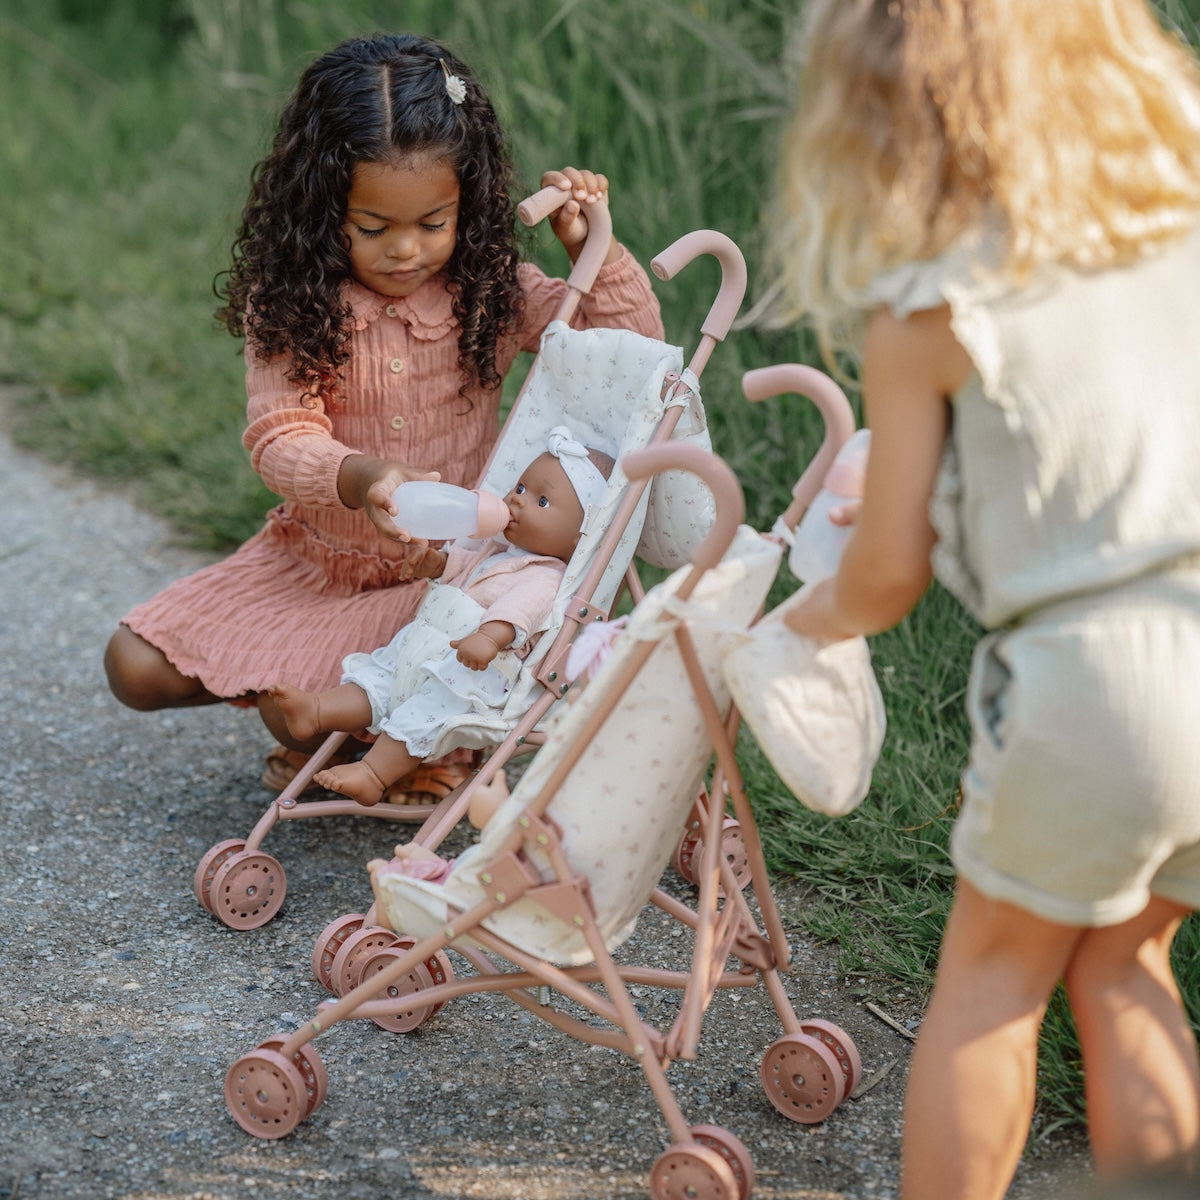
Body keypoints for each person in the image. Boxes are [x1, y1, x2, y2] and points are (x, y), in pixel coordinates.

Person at [762, 2, 1200, 1197]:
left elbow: (886, 573)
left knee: (996, 986)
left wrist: (801, 625)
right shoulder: (1178, 215)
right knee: (1127, 965)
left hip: (1097, 683)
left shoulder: (933, 301)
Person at [101, 32, 662, 801]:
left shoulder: (487, 290)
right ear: (320, 205)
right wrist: (360, 477)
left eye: (434, 224)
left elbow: (633, 362)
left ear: (469, 203)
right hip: (319, 561)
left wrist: (594, 253)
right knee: (133, 666)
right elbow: (278, 434)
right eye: (373, 228)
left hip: (448, 577)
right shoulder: (296, 302)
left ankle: (393, 728)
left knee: (291, 711)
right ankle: (375, 719)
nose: (406, 251)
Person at [264, 427, 613, 807]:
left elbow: (519, 613)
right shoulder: (494, 551)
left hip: (474, 672)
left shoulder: (547, 577)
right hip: (428, 644)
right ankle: (316, 711)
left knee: (425, 712)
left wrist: (490, 637)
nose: (518, 501)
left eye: (541, 502)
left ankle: (374, 774)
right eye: (521, 487)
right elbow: (458, 566)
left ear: (581, 537)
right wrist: (434, 562)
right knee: (380, 678)